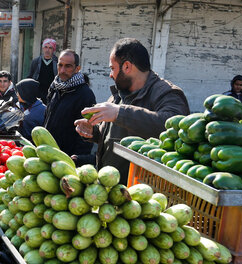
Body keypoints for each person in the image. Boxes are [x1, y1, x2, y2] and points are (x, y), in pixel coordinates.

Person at [75, 38, 189, 184]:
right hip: (111, 188)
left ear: (127, 66)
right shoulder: (120, 93)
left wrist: (119, 113)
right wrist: (93, 132)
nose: (110, 74)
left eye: (112, 68)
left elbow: (173, 127)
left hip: (142, 194)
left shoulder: (167, 93)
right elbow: (112, 134)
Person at [43, 49, 95, 157]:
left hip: (68, 157)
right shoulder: (54, 87)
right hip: (49, 151)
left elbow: (86, 132)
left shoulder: (85, 94)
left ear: (77, 69)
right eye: (60, 65)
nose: (62, 70)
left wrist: (79, 159)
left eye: (68, 66)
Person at [28, 38, 58, 103]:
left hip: (52, 94)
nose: (47, 50)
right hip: (37, 94)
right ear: (43, 48)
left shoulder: (57, 62)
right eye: (45, 47)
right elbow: (30, 77)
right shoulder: (35, 62)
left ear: (53, 50)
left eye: (50, 48)